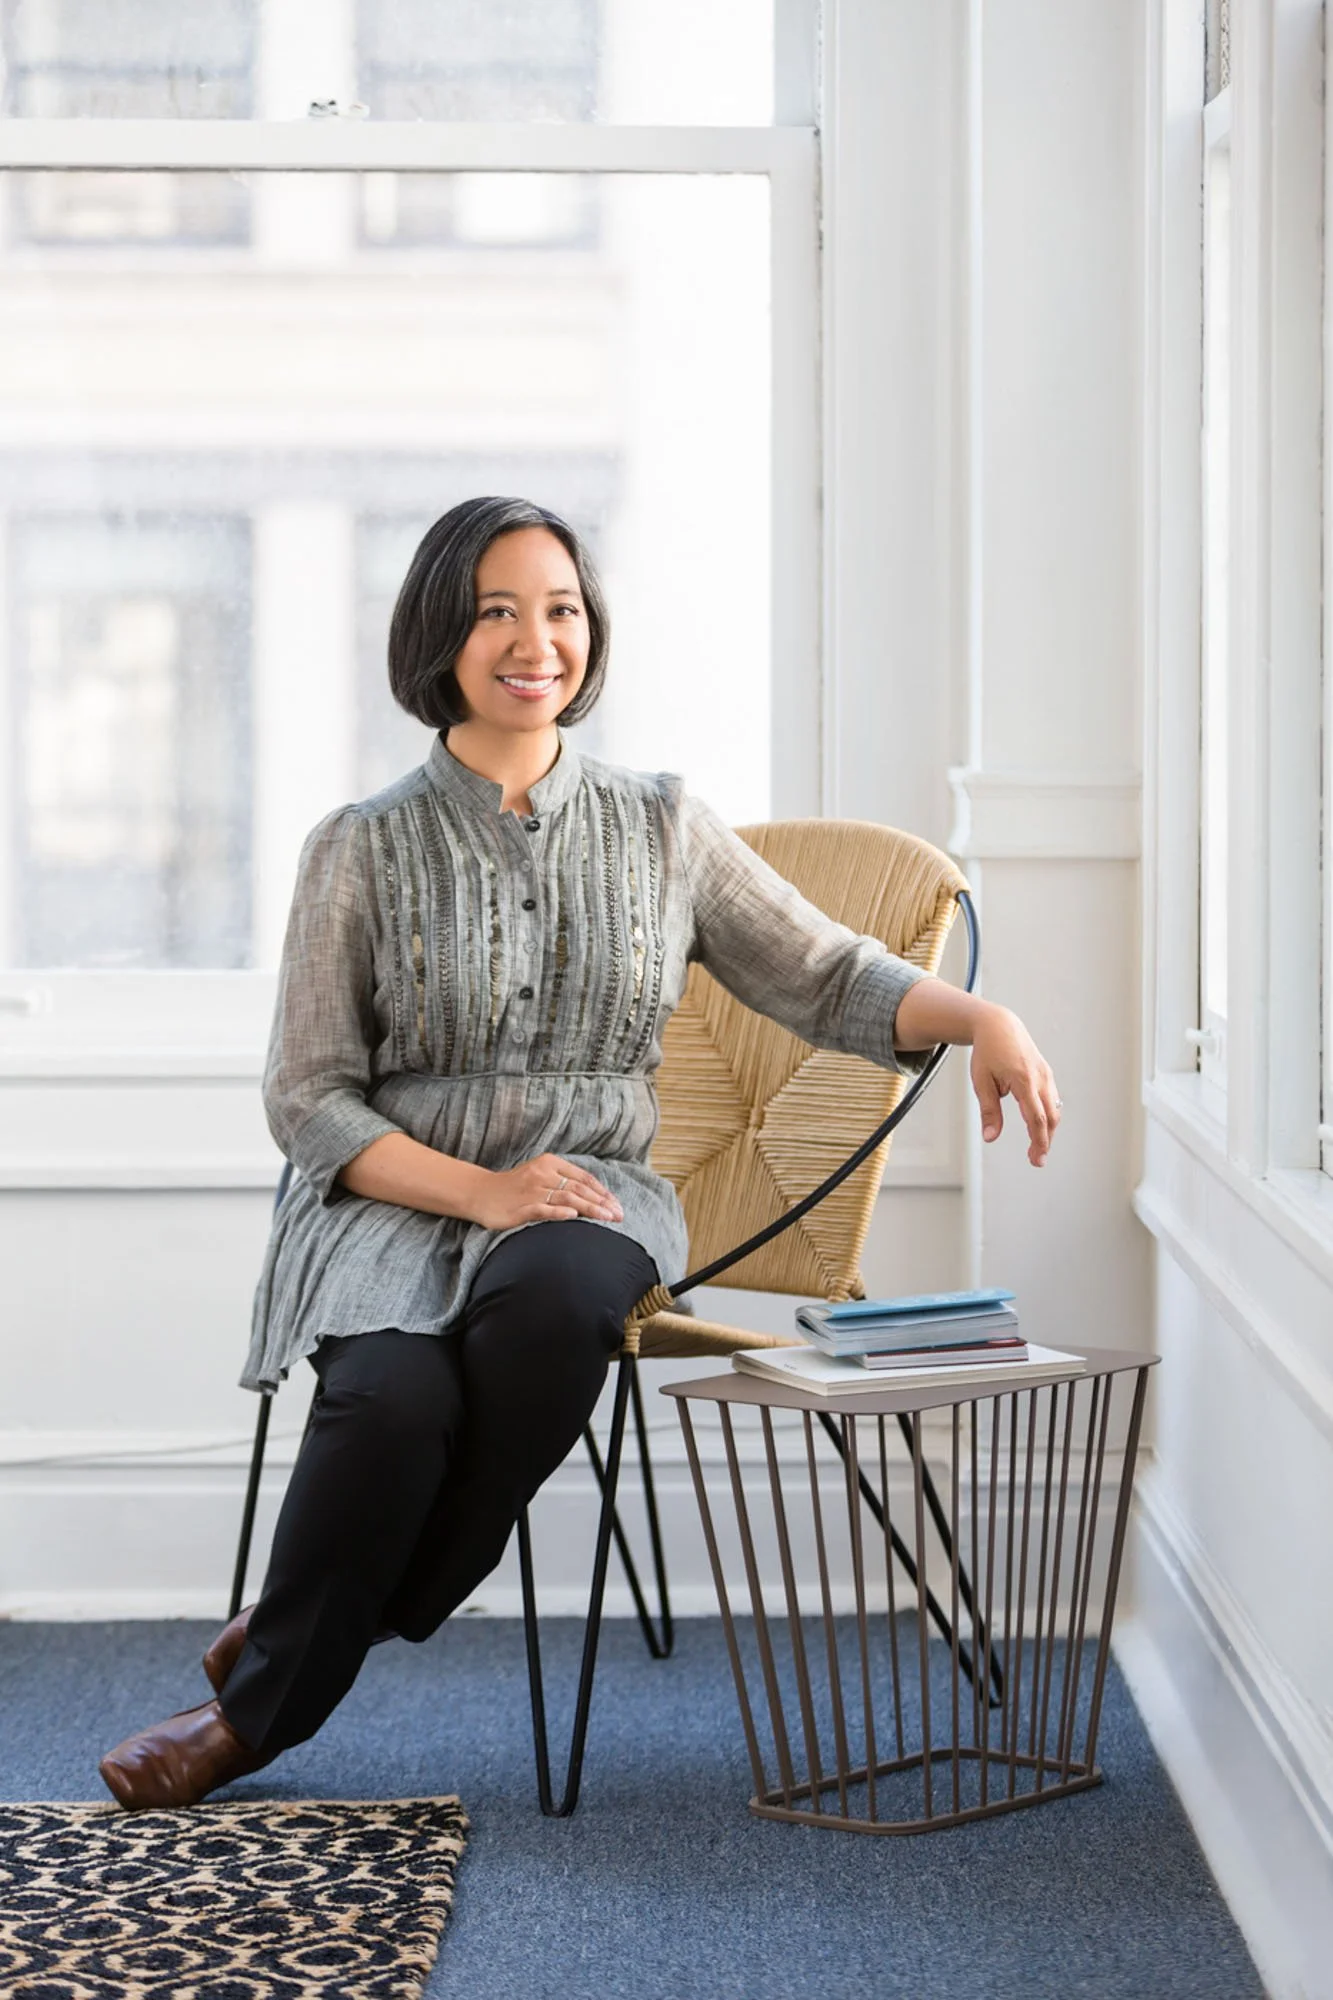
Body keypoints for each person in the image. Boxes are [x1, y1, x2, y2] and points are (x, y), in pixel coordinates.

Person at [97, 496, 1061, 1811]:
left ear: (589, 634)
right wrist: (483, 1190)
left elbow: (826, 975)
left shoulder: (662, 824)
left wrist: (983, 1015)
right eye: (497, 608)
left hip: (592, 1205)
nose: (533, 638)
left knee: (553, 1306)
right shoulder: (359, 846)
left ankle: (264, 1692)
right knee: (394, 1404)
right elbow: (309, 1100)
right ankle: (308, 1630)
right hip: (393, 1203)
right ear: (441, 633)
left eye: (559, 608)